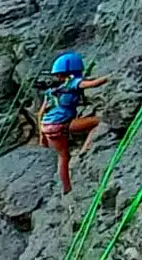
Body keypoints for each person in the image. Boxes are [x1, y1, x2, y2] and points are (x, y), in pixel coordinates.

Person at [37, 51, 110, 194]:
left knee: (63, 156)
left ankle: (66, 188)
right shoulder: (73, 83)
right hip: (62, 124)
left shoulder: (51, 90)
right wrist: (109, 77)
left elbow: (40, 113)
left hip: (47, 127)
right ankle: (85, 151)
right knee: (99, 122)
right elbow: (94, 84)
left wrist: (42, 138)